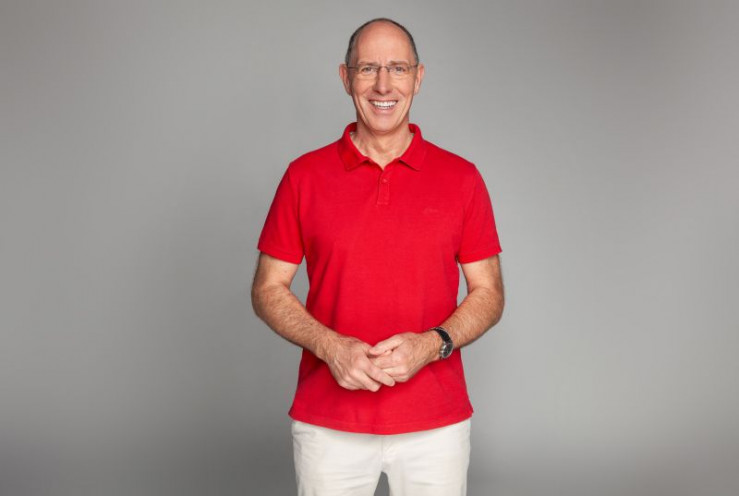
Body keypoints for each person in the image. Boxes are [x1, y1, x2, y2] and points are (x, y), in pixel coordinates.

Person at [252, 17, 504, 496]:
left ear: (418, 77)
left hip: (435, 425)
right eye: (368, 68)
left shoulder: (462, 179)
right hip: (329, 423)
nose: (383, 85)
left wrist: (431, 345)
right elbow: (267, 288)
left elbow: (489, 293)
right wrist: (331, 347)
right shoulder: (303, 177)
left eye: (398, 69)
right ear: (345, 77)